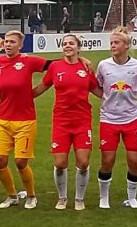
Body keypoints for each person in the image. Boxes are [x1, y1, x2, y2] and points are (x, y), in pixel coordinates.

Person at [33, 35, 100, 211]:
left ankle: (79, 198)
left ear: (79, 47)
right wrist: (24, 97)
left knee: (83, 162)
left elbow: (97, 90)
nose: (67, 46)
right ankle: (62, 197)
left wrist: (120, 96)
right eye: (64, 44)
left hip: (82, 120)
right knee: (60, 163)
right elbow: (42, 86)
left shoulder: (86, 68)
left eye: (71, 43)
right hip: (61, 121)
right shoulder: (55, 67)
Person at [0, 30, 50, 209]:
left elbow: (54, 67)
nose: (8, 44)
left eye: (12, 42)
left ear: (20, 45)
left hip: (25, 120)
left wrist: (37, 91)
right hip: (3, 120)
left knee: (21, 162)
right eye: (6, 41)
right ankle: (11, 195)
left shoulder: (29, 61)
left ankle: (31, 195)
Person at [95, 27, 137, 209]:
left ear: (126, 45)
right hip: (108, 119)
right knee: (107, 160)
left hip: (132, 119)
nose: (112, 46)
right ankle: (104, 198)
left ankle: (132, 197)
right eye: (111, 43)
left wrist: (131, 97)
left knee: (134, 160)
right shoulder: (103, 65)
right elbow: (99, 87)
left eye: (116, 43)